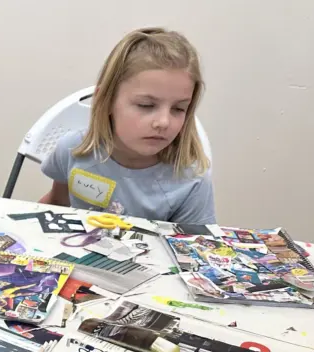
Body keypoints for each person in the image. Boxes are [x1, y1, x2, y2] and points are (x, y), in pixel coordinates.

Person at [40, 28, 215, 224]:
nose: (164, 122)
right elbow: (56, 204)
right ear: (106, 101)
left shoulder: (192, 181)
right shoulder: (73, 150)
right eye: (146, 105)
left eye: (178, 109)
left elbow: (193, 242)